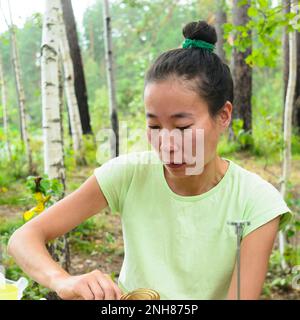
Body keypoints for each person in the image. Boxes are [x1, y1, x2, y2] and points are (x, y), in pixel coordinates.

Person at [8, 20, 293, 300]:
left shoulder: (256, 202)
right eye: (155, 127)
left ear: (224, 115)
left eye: (182, 128)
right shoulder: (130, 175)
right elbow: (23, 239)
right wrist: (63, 281)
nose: (166, 145)